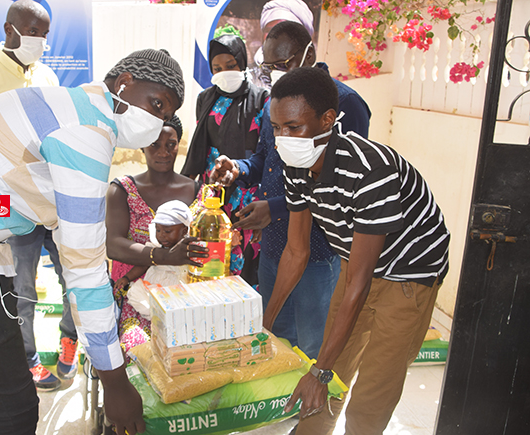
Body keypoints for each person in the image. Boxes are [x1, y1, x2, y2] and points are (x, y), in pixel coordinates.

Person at [0, 48, 185, 435]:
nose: (156, 123)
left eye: (164, 115)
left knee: (11, 400)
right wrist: (116, 383)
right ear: (124, 83)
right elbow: (85, 270)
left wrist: (18, 212)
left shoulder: (72, 107)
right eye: (155, 104)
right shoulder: (87, 132)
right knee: (12, 408)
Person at [263, 67, 449, 435]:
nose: (283, 138)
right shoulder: (297, 166)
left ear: (328, 120)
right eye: (276, 127)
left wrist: (320, 371)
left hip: (409, 273)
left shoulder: (370, 170)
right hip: (358, 262)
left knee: (372, 391)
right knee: (331, 371)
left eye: (294, 127)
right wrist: (263, 328)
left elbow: (359, 283)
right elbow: (296, 253)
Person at [211, 20, 371, 360]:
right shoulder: (277, 100)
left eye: (283, 65)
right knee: (275, 339)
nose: (275, 74)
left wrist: (276, 206)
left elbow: (341, 183)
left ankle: (307, 414)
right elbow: (264, 159)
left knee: (311, 346)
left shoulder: (347, 104)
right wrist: (238, 169)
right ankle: (280, 410)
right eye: (268, 68)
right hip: (273, 247)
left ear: (310, 53)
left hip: (318, 249)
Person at [0, 0, 73, 391]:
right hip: (11, 207)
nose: (40, 41)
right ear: (10, 30)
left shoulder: (49, 78)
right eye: (33, 33)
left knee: (74, 278)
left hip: (53, 202)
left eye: (44, 34)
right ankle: (30, 360)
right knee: (21, 289)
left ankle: (70, 344)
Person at [106, 115, 206, 356]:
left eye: (170, 145)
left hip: (188, 300)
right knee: (140, 350)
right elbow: (114, 246)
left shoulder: (199, 191)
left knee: (194, 355)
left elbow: (211, 245)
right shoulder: (122, 190)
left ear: (178, 145)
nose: (163, 152)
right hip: (136, 297)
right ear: (142, 145)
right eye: (154, 144)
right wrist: (166, 257)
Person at [181, 34, 269, 287]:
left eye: (231, 65)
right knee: (211, 255)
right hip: (214, 191)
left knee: (243, 257)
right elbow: (201, 144)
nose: (224, 72)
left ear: (242, 62)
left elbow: (263, 150)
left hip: (246, 190)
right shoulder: (206, 98)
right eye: (217, 68)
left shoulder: (261, 99)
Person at [113, 199, 192, 292]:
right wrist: (127, 278)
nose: (161, 235)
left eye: (167, 231)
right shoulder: (155, 246)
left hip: (179, 289)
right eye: (158, 230)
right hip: (154, 288)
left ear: (184, 231)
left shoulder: (188, 248)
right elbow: (143, 265)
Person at [250, 0, 315, 88]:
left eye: (283, 65)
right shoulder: (250, 79)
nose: (275, 37)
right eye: (269, 31)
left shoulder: (318, 87)